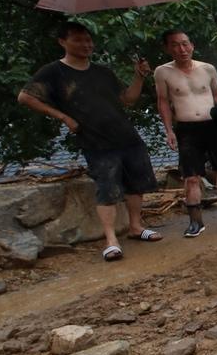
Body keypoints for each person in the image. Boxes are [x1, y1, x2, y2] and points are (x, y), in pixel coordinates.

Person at [17, 21, 162, 261]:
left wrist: (139, 76)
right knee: (107, 188)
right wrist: (63, 116)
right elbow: (25, 97)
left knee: (137, 183)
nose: (86, 44)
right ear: (62, 42)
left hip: (126, 135)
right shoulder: (54, 72)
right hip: (96, 140)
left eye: (88, 39)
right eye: (79, 39)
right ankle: (111, 240)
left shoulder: (102, 71)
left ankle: (136, 227)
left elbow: (128, 99)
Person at [153, 29, 217, 238]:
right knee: (191, 177)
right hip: (187, 128)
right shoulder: (162, 72)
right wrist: (168, 130)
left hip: (212, 125)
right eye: (175, 45)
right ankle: (195, 221)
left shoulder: (208, 69)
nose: (182, 49)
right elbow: (163, 102)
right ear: (167, 48)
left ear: (192, 45)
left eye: (185, 44)